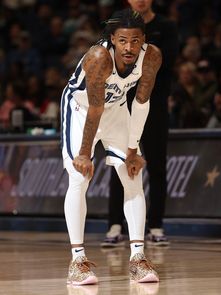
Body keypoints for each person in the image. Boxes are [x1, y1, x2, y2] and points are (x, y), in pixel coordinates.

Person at [61, 8, 162, 286]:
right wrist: (84, 153)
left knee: (133, 174)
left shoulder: (151, 56)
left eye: (135, 40)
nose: (129, 47)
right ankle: (77, 261)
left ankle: (138, 258)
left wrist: (132, 149)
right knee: (79, 177)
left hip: (117, 109)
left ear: (143, 39)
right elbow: (95, 108)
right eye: (122, 41)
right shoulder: (98, 58)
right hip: (81, 109)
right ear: (112, 40)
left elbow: (141, 103)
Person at [101, 0, 179, 247]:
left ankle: (155, 225)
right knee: (119, 162)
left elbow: (165, 63)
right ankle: (115, 225)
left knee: (156, 166)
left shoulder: (166, 26)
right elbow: (108, 58)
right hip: (122, 105)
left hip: (154, 106)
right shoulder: (118, 23)